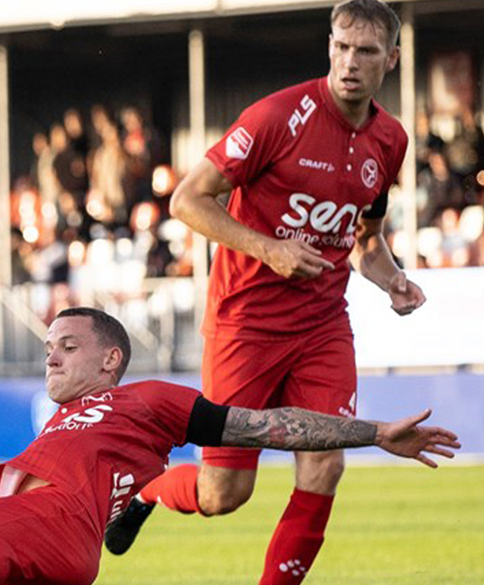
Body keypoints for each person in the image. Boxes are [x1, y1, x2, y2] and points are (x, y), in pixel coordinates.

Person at [105, 3, 427, 584]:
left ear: (392, 60)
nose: (350, 62)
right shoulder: (277, 117)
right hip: (245, 325)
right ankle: (149, 489)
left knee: (325, 465)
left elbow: (366, 241)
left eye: (367, 52)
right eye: (342, 47)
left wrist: (393, 279)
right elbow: (187, 200)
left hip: (323, 327)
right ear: (329, 46)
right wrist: (268, 248)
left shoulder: (390, 140)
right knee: (224, 493)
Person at [0, 307, 457, 585]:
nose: (51, 356)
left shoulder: (148, 399)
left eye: (68, 346)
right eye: (48, 347)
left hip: (49, 518)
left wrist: (375, 432)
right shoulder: (70, 417)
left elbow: (267, 426)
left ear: (111, 359)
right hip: (67, 545)